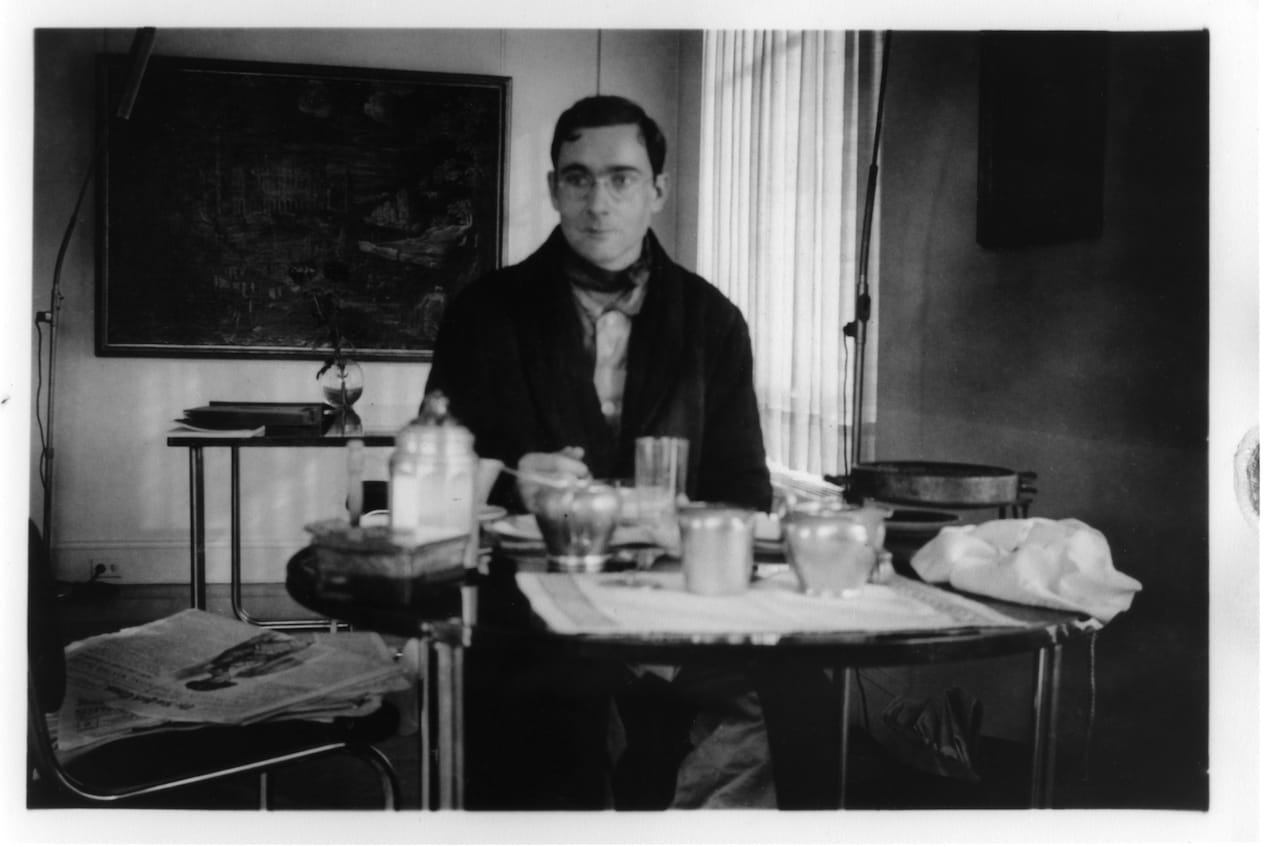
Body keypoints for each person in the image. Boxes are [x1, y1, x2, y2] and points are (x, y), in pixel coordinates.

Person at [424, 95, 839, 810]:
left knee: (803, 695)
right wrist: (517, 483)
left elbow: (744, 489)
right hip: (530, 609)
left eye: (621, 178)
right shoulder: (483, 313)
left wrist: (669, 527)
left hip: (676, 601)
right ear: (553, 187)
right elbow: (435, 476)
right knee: (545, 732)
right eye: (578, 178)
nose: (598, 201)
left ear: (657, 191)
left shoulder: (713, 322)